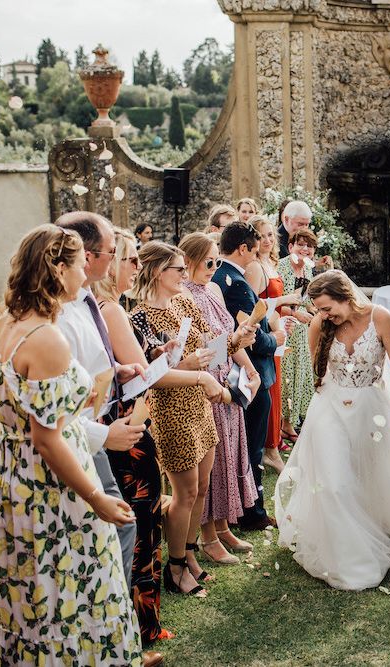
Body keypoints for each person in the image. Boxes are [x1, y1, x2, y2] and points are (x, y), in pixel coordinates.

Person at [0, 225, 141, 664]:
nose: (84, 273)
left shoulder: (9, 326)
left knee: (33, 593)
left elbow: (16, 407)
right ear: (58, 268)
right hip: (52, 486)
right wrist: (97, 499)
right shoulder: (47, 338)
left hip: (15, 474)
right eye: (77, 264)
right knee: (69, 590)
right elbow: (47, 438)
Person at [274, 270, 390, 590]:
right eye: (319, 310)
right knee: (333, 483)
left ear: (346, 295)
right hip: (329, 409)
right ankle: (350, 558)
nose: (323, 315)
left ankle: (370, 525)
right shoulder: (319, 325)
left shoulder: (380, 318)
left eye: (328, 308)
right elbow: (319, 372)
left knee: (373, 474)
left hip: (373, 408)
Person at [131, 241, 231, 598]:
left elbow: (211, 345)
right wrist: (186, 366)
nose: (185, 275)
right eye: (179, 269)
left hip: (200, 405)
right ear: (159, 271)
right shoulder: (139, 317)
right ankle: (173, 569)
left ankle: (189, 555)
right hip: (170, 409)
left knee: (201, 487)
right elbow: (146, 375)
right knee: (184, 492)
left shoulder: (184, 302)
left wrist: (233, 342)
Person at [55, 212, 146, 587]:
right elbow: (54, 409)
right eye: (114, 252)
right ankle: (113, 625)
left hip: (97, 426)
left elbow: (86, 366)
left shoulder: (85, 297)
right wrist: (103, 436)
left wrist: (116, 370)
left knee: (112, 531)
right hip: (79, 439)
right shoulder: (56, 317)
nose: (115, 263)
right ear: (86, 257)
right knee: (116, 529)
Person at [180, 231, 261, 563]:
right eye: (209, 261)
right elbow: (196, 350)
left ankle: (224, 525)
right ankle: (207, 537)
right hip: (206, 384)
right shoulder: (182, 296)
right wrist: (229, 352)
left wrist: (250, 369)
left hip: (229, 377)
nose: (214, 267)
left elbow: (228, 337)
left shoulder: (213, 290)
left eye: (216, 261)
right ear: (189, 262)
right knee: (214, 464)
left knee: (232, 453)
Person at [213, 222, 286, 530]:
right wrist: (278, 339)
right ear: (242, 249)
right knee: (252, 446)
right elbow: (249, 335)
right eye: (254, 252)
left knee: (247, 444)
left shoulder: (223, 278)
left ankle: (245, 508)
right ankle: (252, 513)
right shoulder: (235, 283)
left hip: (242, 371)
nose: (256, 258)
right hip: (248, 374)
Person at [245, 215, 301, 469]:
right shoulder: (255, 267)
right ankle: (269, 448)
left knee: (277, 389)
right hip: (264, 335)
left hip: (277, 332)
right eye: (261, 235)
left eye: (270, 235)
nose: (267, 240)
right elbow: (253, 307)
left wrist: (286, 317)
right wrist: (286, 299)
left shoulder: (270, 263)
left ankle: (273, 445)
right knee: (270, 390)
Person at [277, 229, 317, 442]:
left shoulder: (309, 270)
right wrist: (295, 314)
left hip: (300, 330)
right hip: (284, 327)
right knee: (285, 378)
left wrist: (312, 310)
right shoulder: (282, 267)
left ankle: (289, 423)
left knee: (298, 375)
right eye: (300, 244)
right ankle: (281, 425)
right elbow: (273, 303)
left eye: (309, 246)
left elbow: (305, 300)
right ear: (290, 246)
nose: (305, 249)